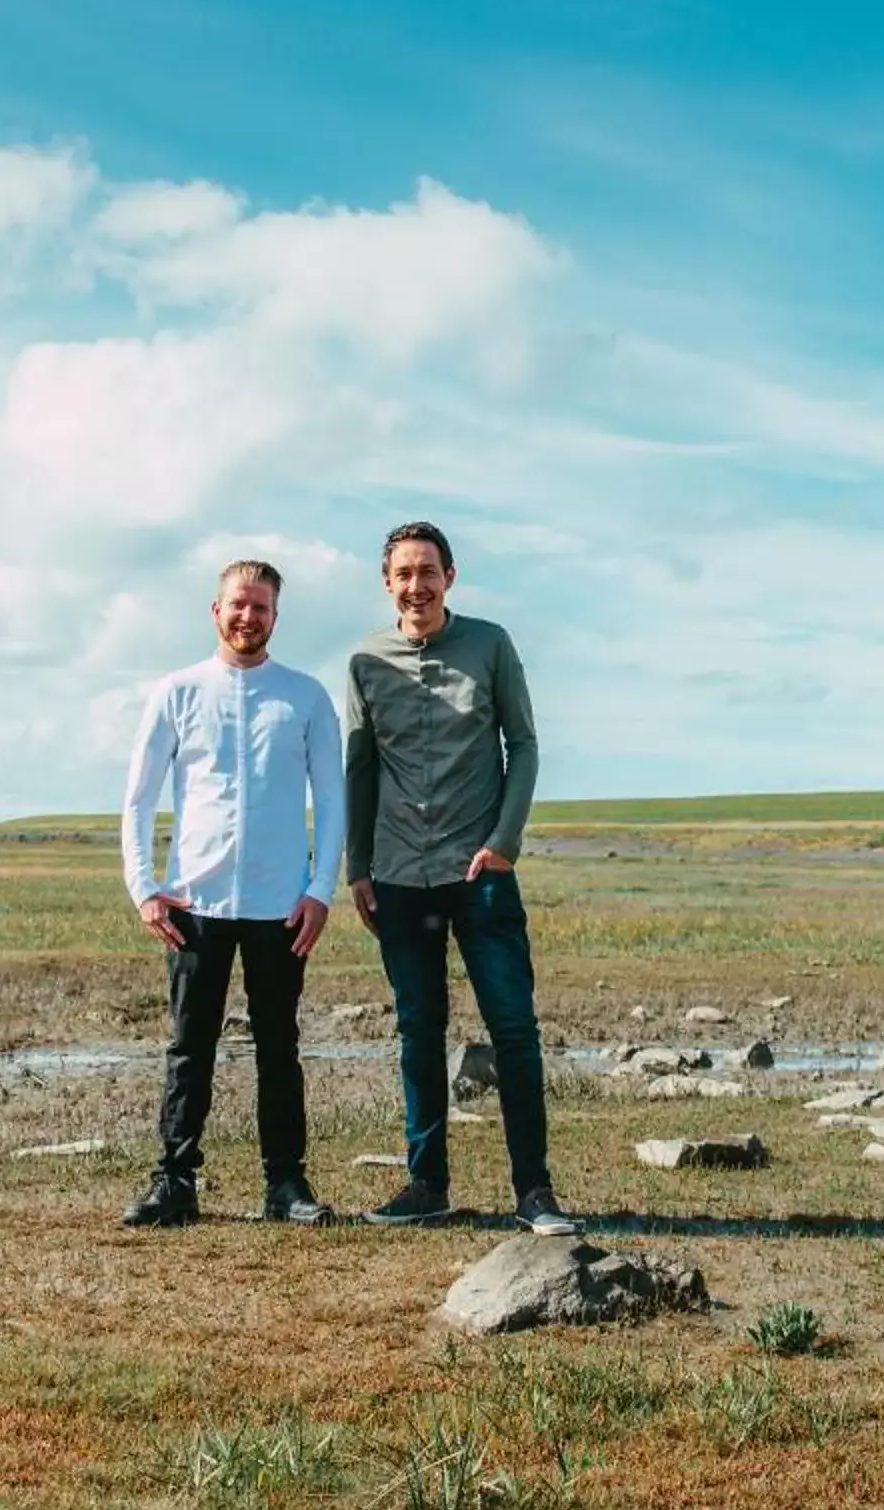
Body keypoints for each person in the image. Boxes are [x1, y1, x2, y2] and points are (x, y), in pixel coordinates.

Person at [343, 521, 579, 1235]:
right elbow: (360, 766)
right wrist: (359, 867)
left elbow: (525, 744)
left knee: (513, 1028)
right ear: (387, 583)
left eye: (428, 571)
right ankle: (426, 1184)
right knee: (419, 1028)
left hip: (479, 870)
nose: (416, 585)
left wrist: (504, 842)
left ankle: (534, 1191)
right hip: (400, 875)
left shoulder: (491, 645)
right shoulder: (363, 661)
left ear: (450, 576)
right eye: (404, 574)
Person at [117, 558, 346, 1227]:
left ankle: (286, 1185)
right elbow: (138, 797)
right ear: (216, 611)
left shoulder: (304, 697)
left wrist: (320, 889)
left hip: (281, 906)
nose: (249, 617)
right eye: (239, 605)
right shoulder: (178, 691)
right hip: (195, 903)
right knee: (190, 1046)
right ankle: (175, 1181)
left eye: (263, 608)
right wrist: (145, 888)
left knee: (280, 1046)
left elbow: (331, 800)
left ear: (277, 617)